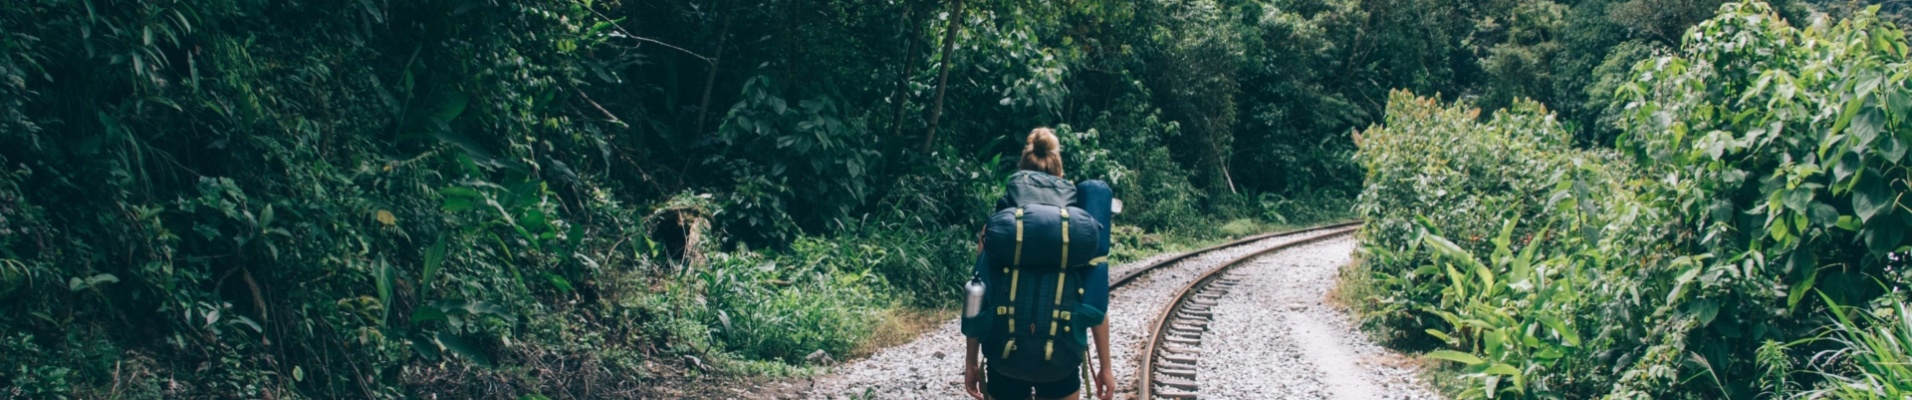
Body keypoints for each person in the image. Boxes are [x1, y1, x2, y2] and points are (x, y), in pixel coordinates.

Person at [963, 128, 1115, 400]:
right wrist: (1106, 367)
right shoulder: (1076, 231)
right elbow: (1096, 300)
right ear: (1059, 174)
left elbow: (978, 295)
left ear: (1023, 170)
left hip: (1004, 356)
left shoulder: (998, 227)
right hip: (1062, 356)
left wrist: (971, 362)